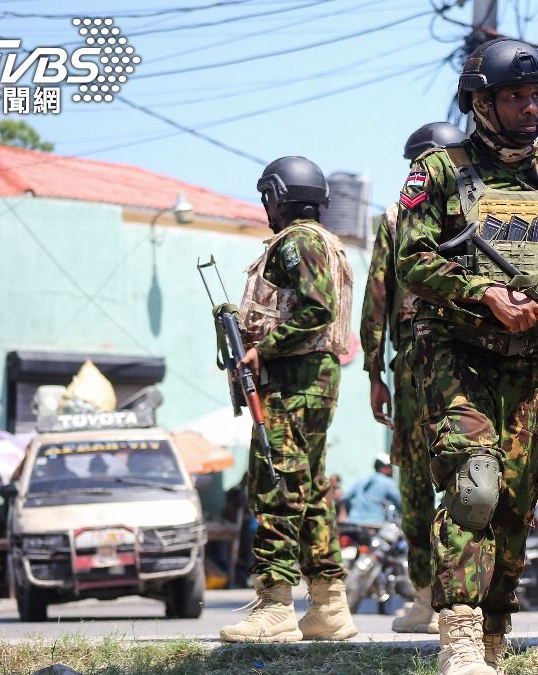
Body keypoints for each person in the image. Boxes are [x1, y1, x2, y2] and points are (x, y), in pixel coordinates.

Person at [395, 38, 538, 675]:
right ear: (480, 103)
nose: (529, 108)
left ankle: (493, 633)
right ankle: (457, 636)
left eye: (535, 95)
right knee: (474, 488)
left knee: (516, 499)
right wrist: (483, 293)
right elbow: (412, 258)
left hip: (530, 362)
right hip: (455, 355)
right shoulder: (435, 171)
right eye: (514, 96)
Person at [218, 156, 357, 643]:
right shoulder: (327, 243)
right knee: (310, 488)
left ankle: (275, 603)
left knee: (275, 482)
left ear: (279, 195)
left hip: (295, 380)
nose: (266, 208)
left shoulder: (298, 241)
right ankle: (328, 606)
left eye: (267, 198)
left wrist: (262, 349)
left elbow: (316, 309)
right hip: (312, 378)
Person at [360, 120, 467, 634]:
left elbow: (376, 298)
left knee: (422, 483)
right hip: (470, 365)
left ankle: (430, 600)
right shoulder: (484, 210)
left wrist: (372, 371)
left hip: (417, 365)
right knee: (466, 474)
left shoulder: (400, 214)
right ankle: (460, 602)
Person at [343, 454, 402, 526]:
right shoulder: (387, 483)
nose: (392, 470)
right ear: (384, 467)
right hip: (374, 525)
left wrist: (343, 514)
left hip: (353, 523)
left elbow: (344, 498)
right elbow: (400, 503)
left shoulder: (361, 481)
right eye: (390, 467)